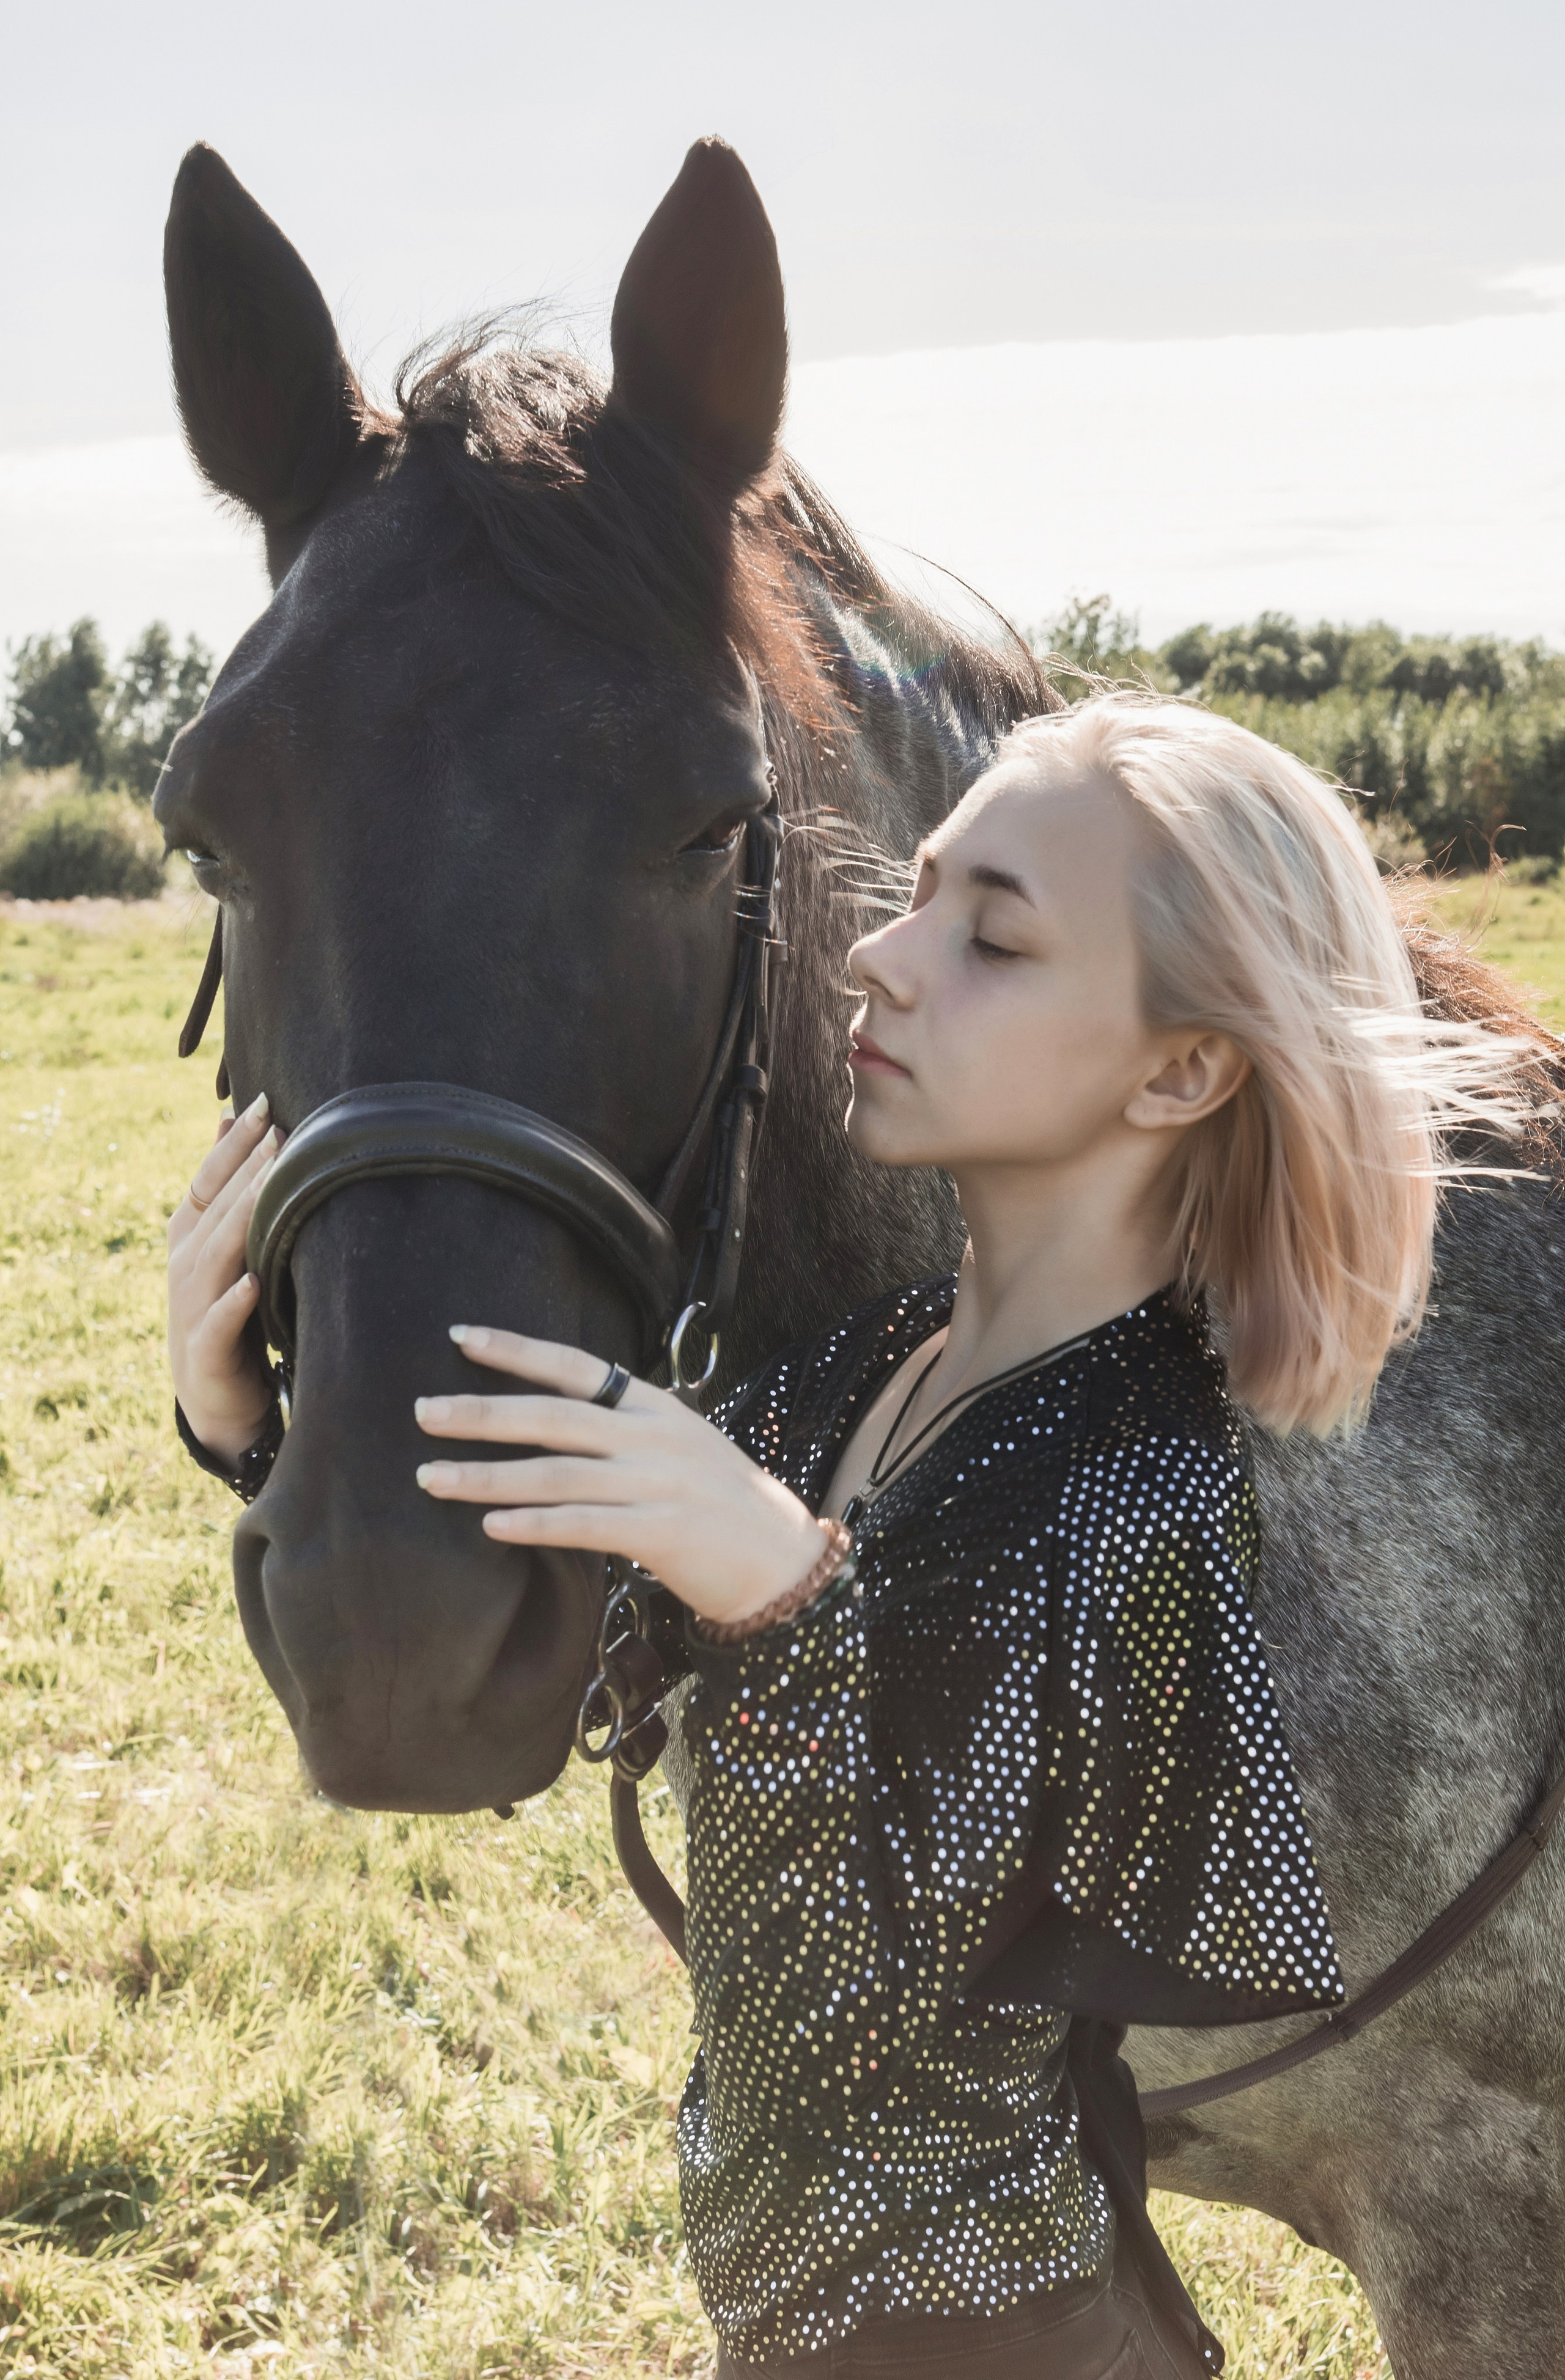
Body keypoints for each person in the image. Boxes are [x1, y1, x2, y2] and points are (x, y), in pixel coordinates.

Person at [168, 696, 1527, 2378]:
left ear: (1182, 1066)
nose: (878, 960)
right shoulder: (845, 1386)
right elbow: (537, 1653)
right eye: (917, 891)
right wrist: (255, 1434)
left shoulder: (1149, 1478)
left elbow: (902, 1997)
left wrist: (785, 1591)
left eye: (995, 939)